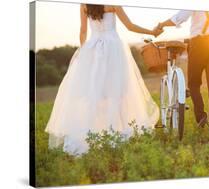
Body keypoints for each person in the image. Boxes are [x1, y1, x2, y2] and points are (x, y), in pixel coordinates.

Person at [45, 4, 163, 156]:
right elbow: (130, 26)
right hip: (113, 49)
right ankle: (117, 130)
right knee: (118, 93)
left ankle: (95, 133)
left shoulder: (84, 5)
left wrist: (84, 53)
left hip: (93, 49)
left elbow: (83, 31)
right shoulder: (113, 4)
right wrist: (152, 32)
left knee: (96, 93)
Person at [156, 10, 209, 127]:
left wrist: (161, 24)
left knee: (193, 84)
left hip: (199, 44)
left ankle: (201, 116)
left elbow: (179, 17)